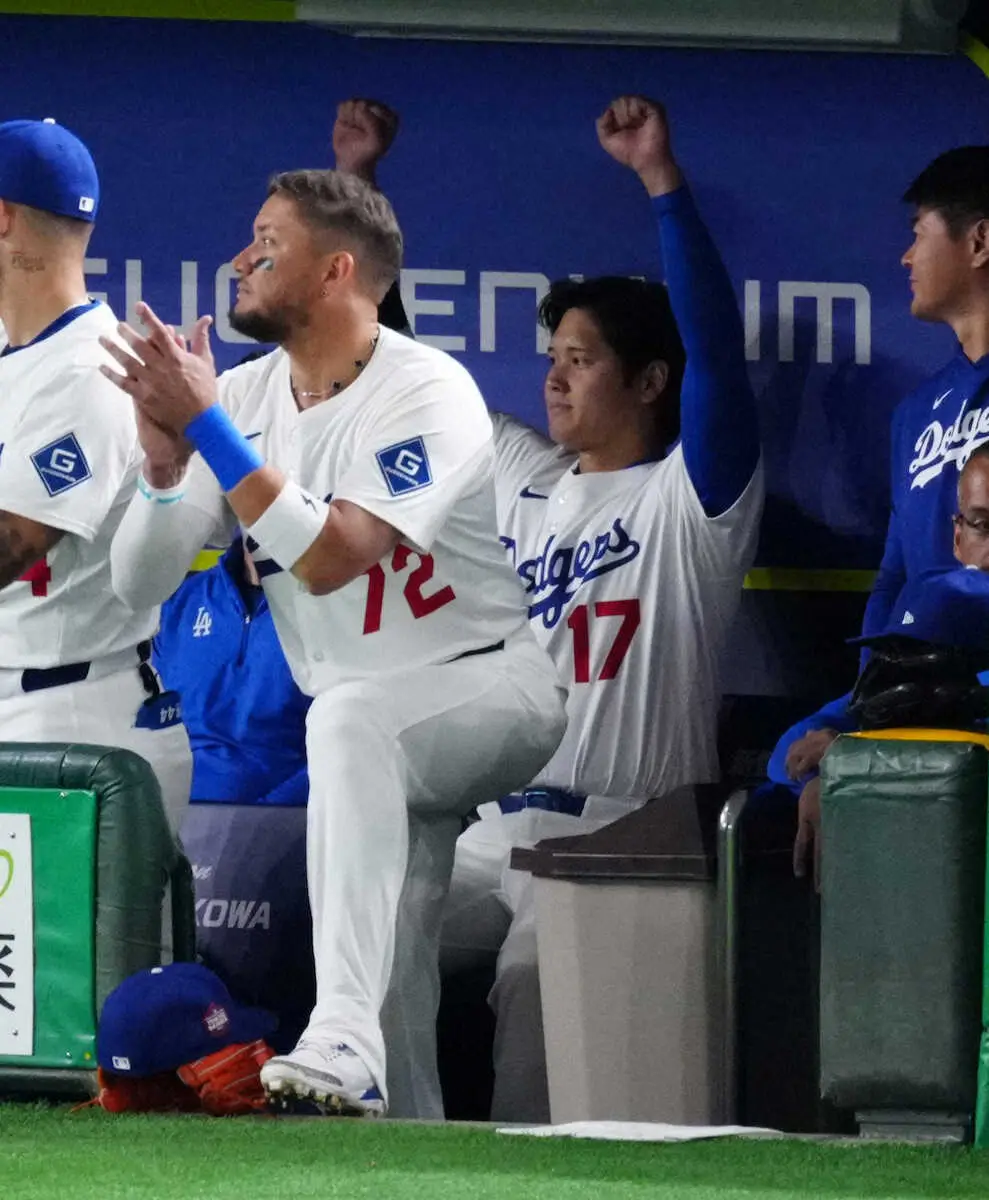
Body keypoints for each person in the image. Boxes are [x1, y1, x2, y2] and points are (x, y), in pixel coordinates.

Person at [101, 166, 568, 1118]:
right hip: (372, 735)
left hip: (487, 691)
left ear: (336, 272)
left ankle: (338, 1031)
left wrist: (209, 433)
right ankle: (394, 1120)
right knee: (395, 974)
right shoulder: (239, 394)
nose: (241, 257)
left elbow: (331, 558)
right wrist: (162, 463)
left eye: (268, 242)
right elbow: (136, 584)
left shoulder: (427, 389)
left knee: (352, 719)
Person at [441, 95, 764, 1122]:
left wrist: (660, 184)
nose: (553, 378)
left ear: (648, 379)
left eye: (579, 359)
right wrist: (356, 191)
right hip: (493, 828)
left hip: (623, 833)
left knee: (536, 1021)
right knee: (366, 926)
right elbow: (400, 384)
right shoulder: (526, 478)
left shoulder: (688, 502)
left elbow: (718, 358)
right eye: (551, 358)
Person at [0, 118, 190, 839]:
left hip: (72, 718)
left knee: (92, 957)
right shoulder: (15, 353)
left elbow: (12, 541)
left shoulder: (91, 367)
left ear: (3, 217)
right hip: (29, 705)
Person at [771, 442, 989, 888]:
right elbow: (788, 752)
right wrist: (825, 777)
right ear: (958, 538)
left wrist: (856, 766)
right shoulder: (936, 618)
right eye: (983, 525)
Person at [863, 145, 989, 637]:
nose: (906, 256)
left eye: (919, 234)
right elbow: (894, 581)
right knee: (807, 723)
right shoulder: (914, 415)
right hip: (923, 696)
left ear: (980, 242)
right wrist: (866, 702)